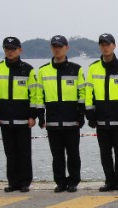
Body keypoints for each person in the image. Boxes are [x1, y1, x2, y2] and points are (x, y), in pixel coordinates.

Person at [85, 33, 118, 192]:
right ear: (100, 47)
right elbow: (89, 93)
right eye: (102, 44)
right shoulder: (93, 68)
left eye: (108, 44)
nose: (105, 47)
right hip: (101, 119)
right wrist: (90, 114)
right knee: (105, 154)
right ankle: (109, 181)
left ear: (114, 45)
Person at [36, 35, 86, 193]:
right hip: (52, 121)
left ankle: (73, 181)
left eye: (60, 46)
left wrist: (81, 115)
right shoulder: (43, 70)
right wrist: (40, 117)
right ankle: (60, 182)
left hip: (71, 121)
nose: (57, 49)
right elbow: (39, 95)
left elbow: (82, 93)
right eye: (54, 46)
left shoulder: (76, 69)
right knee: (57, 155)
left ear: (67, 48)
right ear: (51, 48)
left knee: (73, 154)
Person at [0, 37, 37, 193]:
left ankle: (25, 182)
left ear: (19, 50)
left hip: (23, 118)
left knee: (24, 152)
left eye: (13, 49)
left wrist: (33, 116)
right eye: (7, 49)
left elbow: (34, 94)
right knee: (10, 153)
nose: (10, 52)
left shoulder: (28, 69)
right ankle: (13, 182)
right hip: (5, 117)